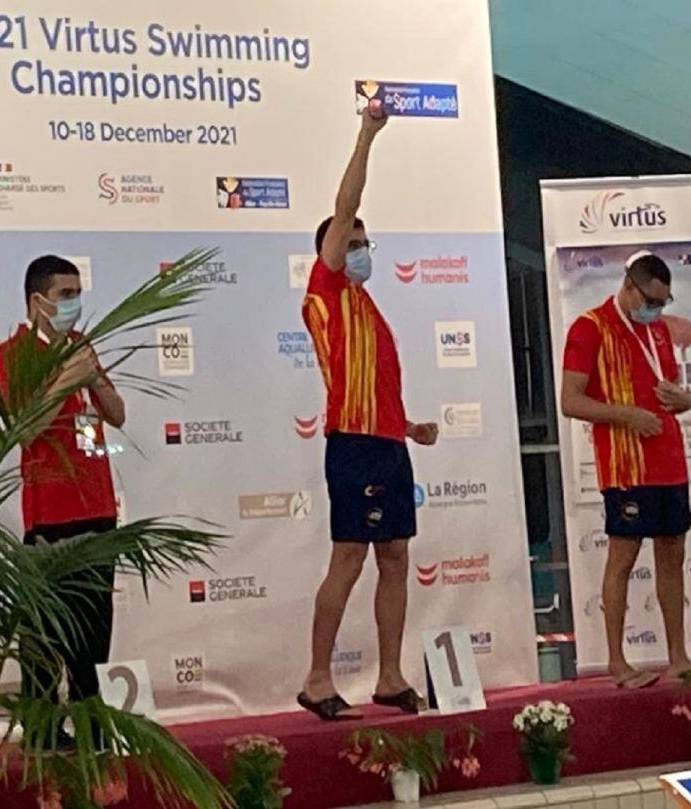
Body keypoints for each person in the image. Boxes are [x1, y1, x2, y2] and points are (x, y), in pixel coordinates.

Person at [298, 106, 439, 720]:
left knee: (395, 557)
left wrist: (409, 426)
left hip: (386, 442)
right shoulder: (325, 288)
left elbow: (368, 384)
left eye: (363, 243)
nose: (360, 250)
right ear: (330, 251)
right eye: (350, 242)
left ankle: (389, 675)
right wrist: (366, 135)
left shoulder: (369, 307)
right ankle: (317, 678)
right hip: (352, 446)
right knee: (349, 558)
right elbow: (347, 198)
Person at [0, 255, 125, 743]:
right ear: (36, 300)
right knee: (46, 638)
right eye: (65, 295)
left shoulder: (81, 347)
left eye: (77, 294)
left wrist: (93, 378)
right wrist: (66, 378)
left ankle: (92, 730)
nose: (75, 304)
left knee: (93, 635)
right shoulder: (11, 355)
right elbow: (26, 428)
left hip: (99, 511)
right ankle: (43, 734)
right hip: (51, 518)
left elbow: (117, 414)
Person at [560, 251, 691, 689]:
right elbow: (570, 401)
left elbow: (671, 390)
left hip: (669, 460)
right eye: (651, 300)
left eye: (663, 302)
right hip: (626, 466)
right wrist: (626, 415)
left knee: (673, 554)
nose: (656, 309)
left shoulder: (657, 330)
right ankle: (617, 662)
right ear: (629, 286)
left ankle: (678, 655)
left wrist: (685, 401)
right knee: (622, 558)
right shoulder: (589, 327)